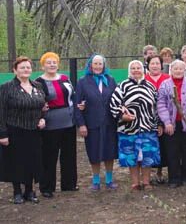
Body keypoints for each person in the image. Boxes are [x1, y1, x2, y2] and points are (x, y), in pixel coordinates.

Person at [0, 57, 47, 204]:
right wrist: (2, 134)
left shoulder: (38, 86)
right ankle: (17, 192)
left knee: (32, 161)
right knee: (16, 161)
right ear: (15, 70)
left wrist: (42, 118)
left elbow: (42, 107)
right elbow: (1, 111)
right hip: (15, 130)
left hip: (34, 131)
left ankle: (29, 191)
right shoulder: (7, 87)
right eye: (22, 67)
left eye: (28, 67)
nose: (26, 70)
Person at [110, 60, 160, 191]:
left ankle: (146, 182)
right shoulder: (122, 86)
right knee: (131, 156)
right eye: (133, 68)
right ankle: (135, 183)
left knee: (147, 156)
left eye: (138, 68)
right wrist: (122, 116)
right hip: (128, 128)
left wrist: (158, 124)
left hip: (148, 127)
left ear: (143, 70)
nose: (136, 70)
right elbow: (114, 104)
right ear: (129, 70)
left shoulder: (150, 86)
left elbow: (157, 107)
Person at [35, 52, 78, 198]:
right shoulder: (38, 82)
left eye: (54, 62)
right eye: (49, 62)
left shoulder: (65, 78)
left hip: (69, 121)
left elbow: (73, 96)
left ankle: (69, 184)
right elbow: (36, 102)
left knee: (69, 154)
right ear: (43, 65)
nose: (52, 65)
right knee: (49, 156)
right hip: (50, 123)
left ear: (58, 64)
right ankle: (47, 187)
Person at [157, 60, 186, 188]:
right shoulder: (165, 85)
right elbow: (161, 105)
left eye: (181, 69)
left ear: (184, 70)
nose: (178, 71)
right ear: (171, 70)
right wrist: (167, 122)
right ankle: (174, 178)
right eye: (175, 69)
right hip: (172, 124)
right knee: (172, 151)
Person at [74, 54, 118, 191]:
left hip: (109, 123)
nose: (98, 66)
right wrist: (81, 124)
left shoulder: (110, 80)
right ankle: (96, 180)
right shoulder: (83, 81)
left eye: (100, 64)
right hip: (91, 124)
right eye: (95, 64)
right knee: (94, 152)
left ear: (104, 66)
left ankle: (109, 179)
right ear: (90, 65)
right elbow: (77, 105)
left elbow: (117, 100)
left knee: (109, 152)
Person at [145, 55, 171, 184]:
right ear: (148, 65)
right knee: (149, 146)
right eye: (152, 63)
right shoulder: (143, 79)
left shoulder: (168, 79)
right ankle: (147, 176)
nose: (155, 66)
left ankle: (160, 172)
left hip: (165, 117)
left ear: (161, 65)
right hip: (148, 119)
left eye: (157, 63)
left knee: (164, 145)